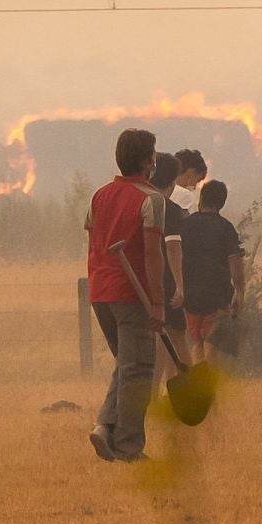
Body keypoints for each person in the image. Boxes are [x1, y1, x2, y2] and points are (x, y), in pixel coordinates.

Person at [85, 128, 166, 462]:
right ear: (148, 160)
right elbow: (152, 255)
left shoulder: (99, 195)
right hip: (131, 295)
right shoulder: (152, 199)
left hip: (100, 291)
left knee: (126, 365)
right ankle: (129, 447)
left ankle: (105, 427)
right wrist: (158, 304)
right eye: (154, 154)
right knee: (138, 371)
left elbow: (91, 235)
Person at [180, 179, 245, 360]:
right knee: (211, 340)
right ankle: (207, 385)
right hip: (217, 294)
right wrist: (240, 291)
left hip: (189, 294)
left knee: (197, 341)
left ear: (201, 200)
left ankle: (200, 384)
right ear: (221, 203)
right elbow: (235, 263)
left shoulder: (185, 225)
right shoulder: (225, 228)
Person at [150, 152, 191, 392]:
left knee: (156, 338)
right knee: (177, 335)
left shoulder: (139, 200)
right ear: (173, 180)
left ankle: (152, 391)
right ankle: (190, 390)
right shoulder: (170, 209)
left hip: (140, 279)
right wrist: (179, 285)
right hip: (164, 279)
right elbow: (173, 246)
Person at [170, 148, 208, 212]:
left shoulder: (156, 189)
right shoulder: (186, 196)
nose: (194, 187)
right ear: (190, 173)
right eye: (196, 181)